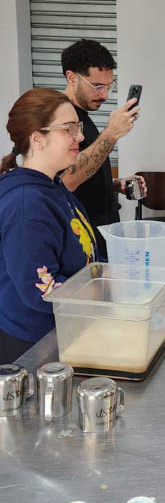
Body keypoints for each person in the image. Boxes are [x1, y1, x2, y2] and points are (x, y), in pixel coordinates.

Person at [0, 89, 98, 362]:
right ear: (37, 138)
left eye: (78, 127)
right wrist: (101, 294)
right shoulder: (26, 205)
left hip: (65, 329)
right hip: (35, 346)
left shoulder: (52, 186)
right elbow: (40, 289)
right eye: (69, 129)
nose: (80, 137)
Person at [60, 39, 146, 256]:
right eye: (97, 86)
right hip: (83, 245)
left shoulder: (83, 116)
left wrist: (115, 184)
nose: (105, 95)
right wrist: (112, 132)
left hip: (104, 239)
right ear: (71, 77)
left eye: (109, 86)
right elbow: (68, 180)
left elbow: (84, 170)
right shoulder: (60, 117)